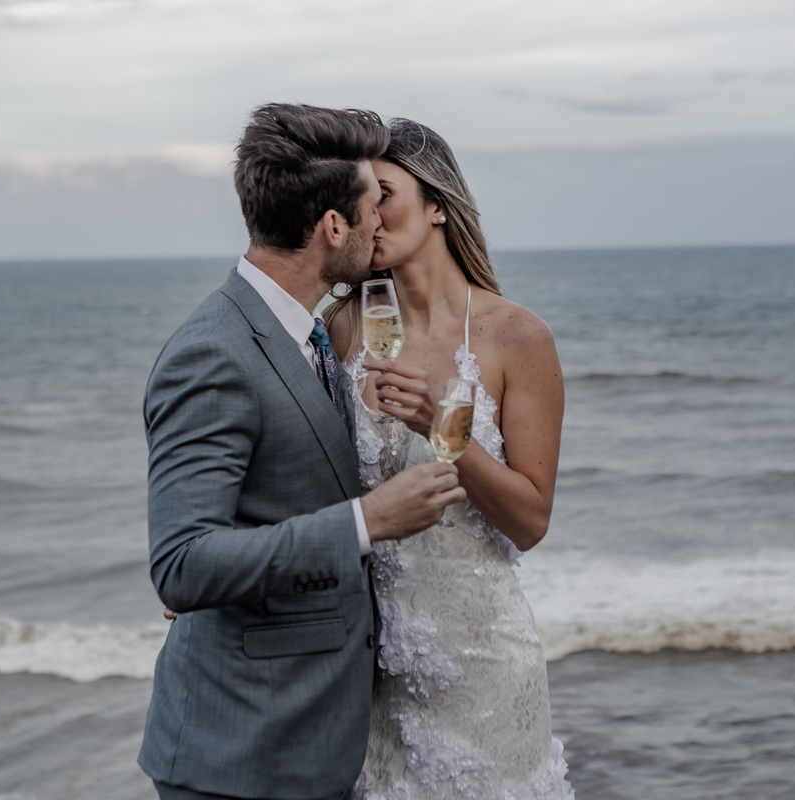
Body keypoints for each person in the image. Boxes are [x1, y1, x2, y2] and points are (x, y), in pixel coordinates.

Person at [138, 104, 466, 800]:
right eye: (372, 205)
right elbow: (181, 564)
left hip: (315, 741)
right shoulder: (212, 353)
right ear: (333, 227)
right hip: (242, 756)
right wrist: (366, 521)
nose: (381, 221)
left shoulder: (310, 333)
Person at [325, 118, 575, 798]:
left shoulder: (516, 337)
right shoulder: (340, 327)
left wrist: (442, 427)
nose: (369, 218)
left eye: (384, 195)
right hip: (368, 671)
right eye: (357, 202)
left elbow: (530, 520)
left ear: (437, 204)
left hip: (484, 666)